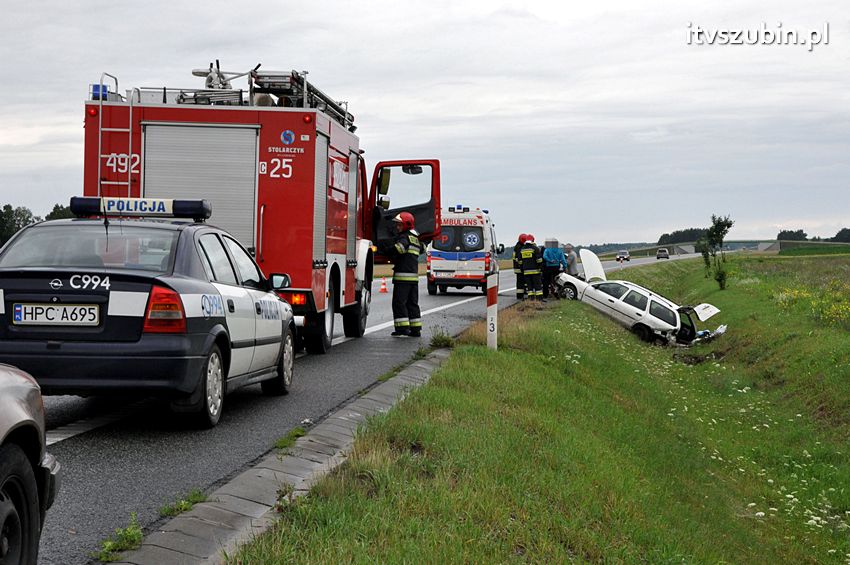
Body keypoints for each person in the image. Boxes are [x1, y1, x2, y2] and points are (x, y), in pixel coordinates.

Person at [386, 212, 423, 337]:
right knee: (412, 303)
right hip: (413, 278)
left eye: (399, 225)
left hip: (403, 278)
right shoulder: (416, 239)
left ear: (406, 225)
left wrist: (385, 249)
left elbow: (400, 249)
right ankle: (415, 329)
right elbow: (422, 248)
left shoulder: (404, 238)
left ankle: (402, 329)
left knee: (399, 303)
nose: (397, 227)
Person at [520, 234, 543, 300]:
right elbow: (539, 260)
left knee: (529, 287)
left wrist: (522, 270)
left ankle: (531, 299)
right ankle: (539, 299)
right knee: (538, 286)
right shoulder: (535, 248)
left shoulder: (522, 249)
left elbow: (520, 261)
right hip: (535, 271)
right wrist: (540, 268)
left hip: (526, 272)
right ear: (532, 240)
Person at [512, 233, 527, 300]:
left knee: (520, 281)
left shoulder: (517, 246)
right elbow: (519, 258)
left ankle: (521, 293)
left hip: (517, 267)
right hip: (519, 267)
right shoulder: (519, 247)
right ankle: (520, 295)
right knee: (521, 282)